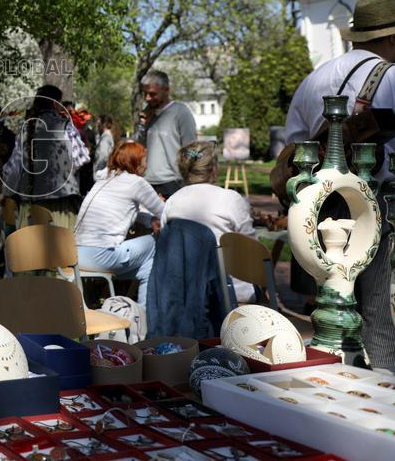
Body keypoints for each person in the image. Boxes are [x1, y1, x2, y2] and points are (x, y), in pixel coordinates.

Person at [284, 0, 395, 367]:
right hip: (375, 207)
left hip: (316, 211)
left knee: (334, 313)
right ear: (394, 37)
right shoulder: (394, 76)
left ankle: (339, 384)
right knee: (383, 318)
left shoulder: (314, 78)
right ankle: (385, 402)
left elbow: (291, 152)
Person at [160, 141, 257, 303]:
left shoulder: (172, 202)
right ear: (214, 170)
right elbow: (252, 251)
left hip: (185, 292)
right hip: (231, 293)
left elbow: (165, 246)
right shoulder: (231, 199)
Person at [74, 142, 164, 306]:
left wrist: (150, 220)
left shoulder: (105, 179)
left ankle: (142, 315)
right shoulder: (136, 183)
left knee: (148, 267)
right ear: (135, 162)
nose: (147, 165)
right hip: (101, 255)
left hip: (76, 255)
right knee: (157, 243)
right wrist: (158, 213)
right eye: (144, 160)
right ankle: (144, 320)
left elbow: (128, 211)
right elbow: (165, 213)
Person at [1, 84, 81, 229]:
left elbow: (14, 168)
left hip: (32, 201)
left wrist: (7, 192)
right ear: (54, 103)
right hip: (61, 204)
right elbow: (79, 158)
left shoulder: (26, 128)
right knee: (63, 249)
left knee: (31, 250)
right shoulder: (65, 126)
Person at [135, 70, 197, 198]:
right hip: (147, 183)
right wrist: (142, 123)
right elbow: (139, 146)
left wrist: (190, 180)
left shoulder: (181, 112)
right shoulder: (147, 115)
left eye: (152, 94)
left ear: (166, 89)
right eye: (145, 93)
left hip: (173, 183)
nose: (147, 98)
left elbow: (191, 149)